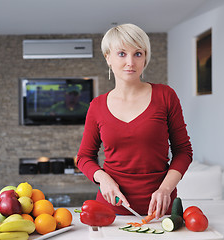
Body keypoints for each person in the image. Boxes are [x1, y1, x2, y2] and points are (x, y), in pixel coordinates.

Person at [76, 23, 192, 219]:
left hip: (159, 212)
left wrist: (165, 189)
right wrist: (103, 179)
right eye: (122, 53)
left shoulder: (166, 96)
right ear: (108, 58)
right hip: (109, 212)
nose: (130, 62)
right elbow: (84, 157)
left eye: (138, 53)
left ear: (145, 57)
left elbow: (184, 151)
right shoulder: (97, 106)